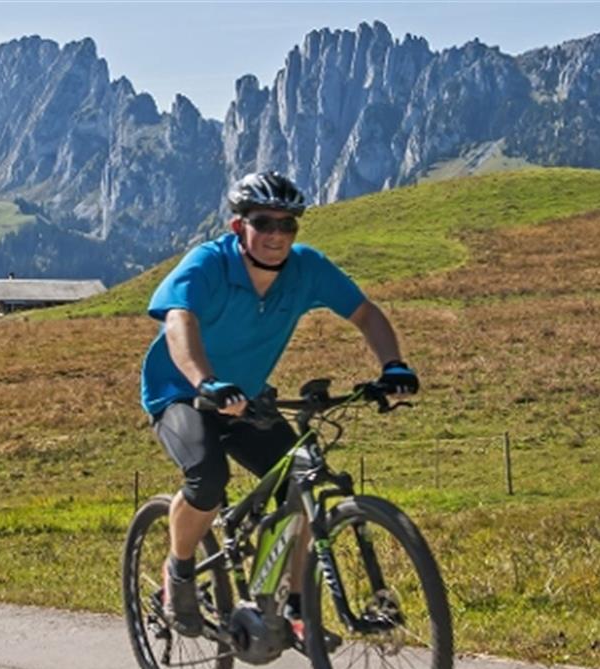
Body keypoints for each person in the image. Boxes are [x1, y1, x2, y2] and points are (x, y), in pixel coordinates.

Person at [140, 171, 419, 640]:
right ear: (238, 227)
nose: (276, 235)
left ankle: (289, 603)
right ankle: (179, 573)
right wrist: (204, 381)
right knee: (206, 478)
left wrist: (392, 366)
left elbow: (366, 313)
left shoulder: (307, 268)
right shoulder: (207, 264)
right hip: (181, 393)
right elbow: (178, 320)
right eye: (263, 222)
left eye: (288, 225)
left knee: (299, 480)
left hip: (245, 397)